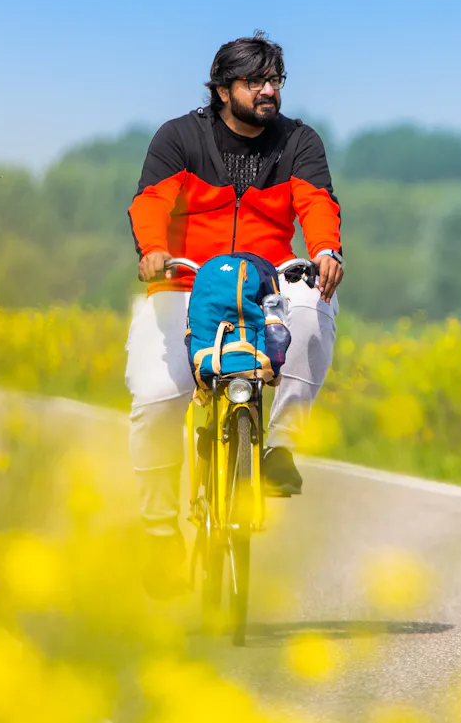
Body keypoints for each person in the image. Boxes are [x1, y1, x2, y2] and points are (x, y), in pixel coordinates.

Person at [126, 31, 344, 598]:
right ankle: (155, 531)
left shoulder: (298, 141)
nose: (269, 91)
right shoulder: (180, 138)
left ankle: (281, 449)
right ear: (224, 90)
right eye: (256, 82)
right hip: (185, 279)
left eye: (276, 81)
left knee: (315, 303)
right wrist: (151, 250)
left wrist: (324, 250)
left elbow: (317, 202)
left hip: (266, 281)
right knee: (155, 398)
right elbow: (149, 201)